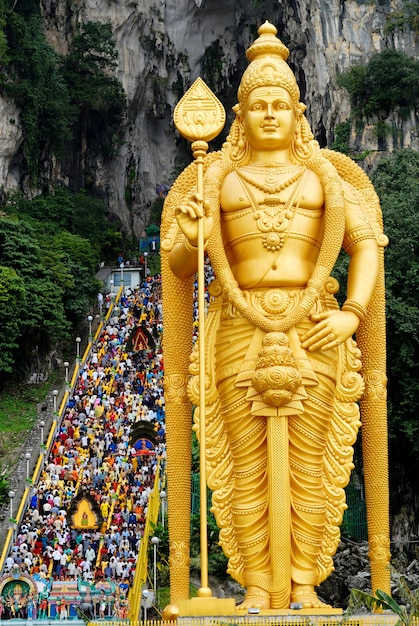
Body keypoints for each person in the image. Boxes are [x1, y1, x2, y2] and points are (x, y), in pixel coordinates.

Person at [162, 21, 389, 610]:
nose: (268, 115)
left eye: (279, 105)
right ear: (239, 115)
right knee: (244, 464)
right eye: (257, 105)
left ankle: (306, 586)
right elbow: (182, 265)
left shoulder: (325, 179)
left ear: (298, 113)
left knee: (312, 464)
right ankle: (259, 586)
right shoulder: (215, 178)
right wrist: (191, 233)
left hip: (315, 324)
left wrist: (352, 312)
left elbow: (365, 244)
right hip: (238, 329)